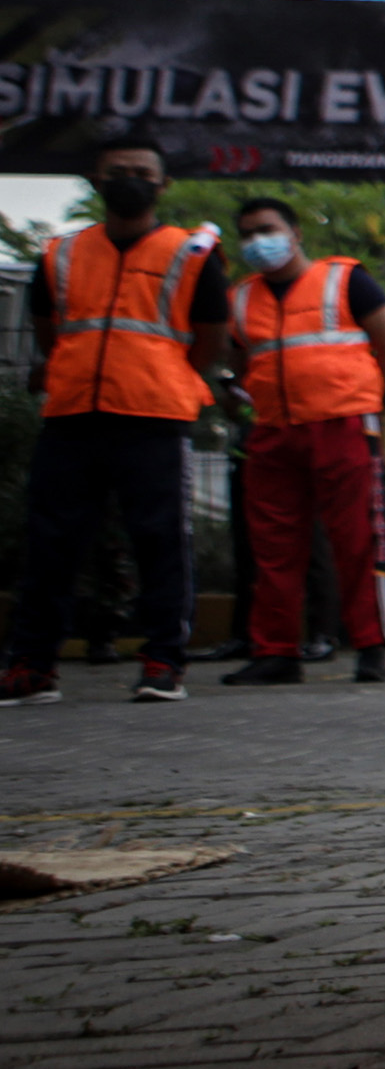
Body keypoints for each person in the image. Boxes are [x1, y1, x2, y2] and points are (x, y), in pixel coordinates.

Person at [3, 138, 218, 705]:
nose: (129, 180)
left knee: (160, 542)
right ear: (96, 182)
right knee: (50, 543)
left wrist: (163, 374)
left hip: (153, 416)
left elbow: (209, 340)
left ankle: (163, 663)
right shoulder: (61, 253)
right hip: (72, 414)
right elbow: (50, 331)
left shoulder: (191, 254)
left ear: (162, 185)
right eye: (117, 172)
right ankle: (32, 667)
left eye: (141, 172)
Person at [215, 198, 385, 685]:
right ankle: (276, 652)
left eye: (268, 229)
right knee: (274, 547)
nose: (259, 241)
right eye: (248, 234)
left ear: (295, 233)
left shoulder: (346, 279)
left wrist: (360, 392)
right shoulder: (239, 298)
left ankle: (370, 647)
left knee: (357, 540)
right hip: (274, 431)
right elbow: (241, 365)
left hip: (343, 425)